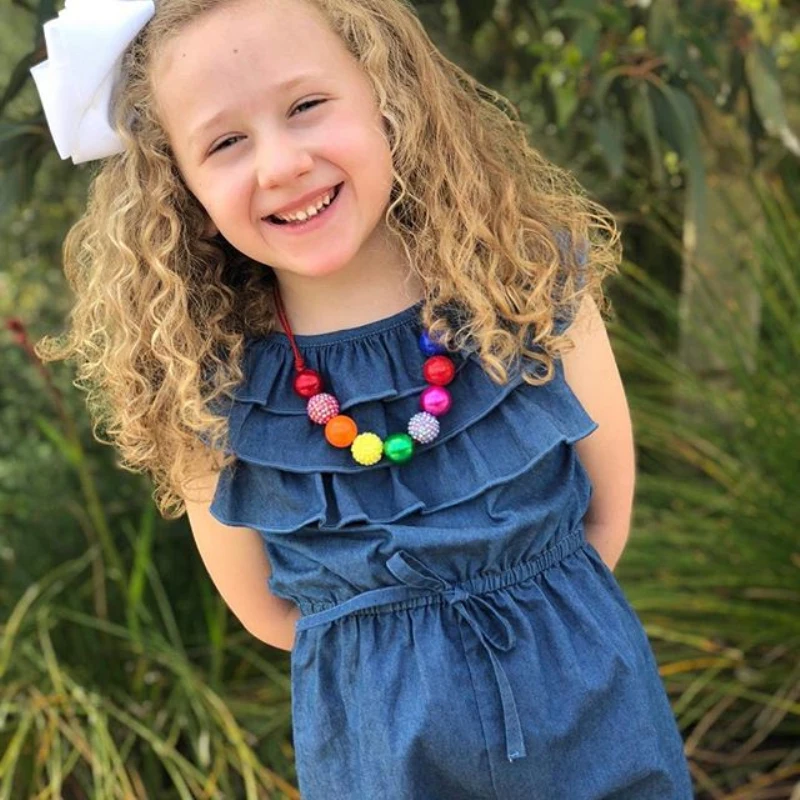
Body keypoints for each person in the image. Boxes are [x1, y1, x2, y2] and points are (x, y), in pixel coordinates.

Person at [31, 0, 695, 797]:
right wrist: (402, 660)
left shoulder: (525, 286)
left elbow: (605, 516)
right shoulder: (209, 388)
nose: (281, 164)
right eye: (225, 142)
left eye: (306, 105)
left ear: (389, 95)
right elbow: (267, 611)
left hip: (596, 719)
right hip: (381, 760)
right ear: (180, 187)